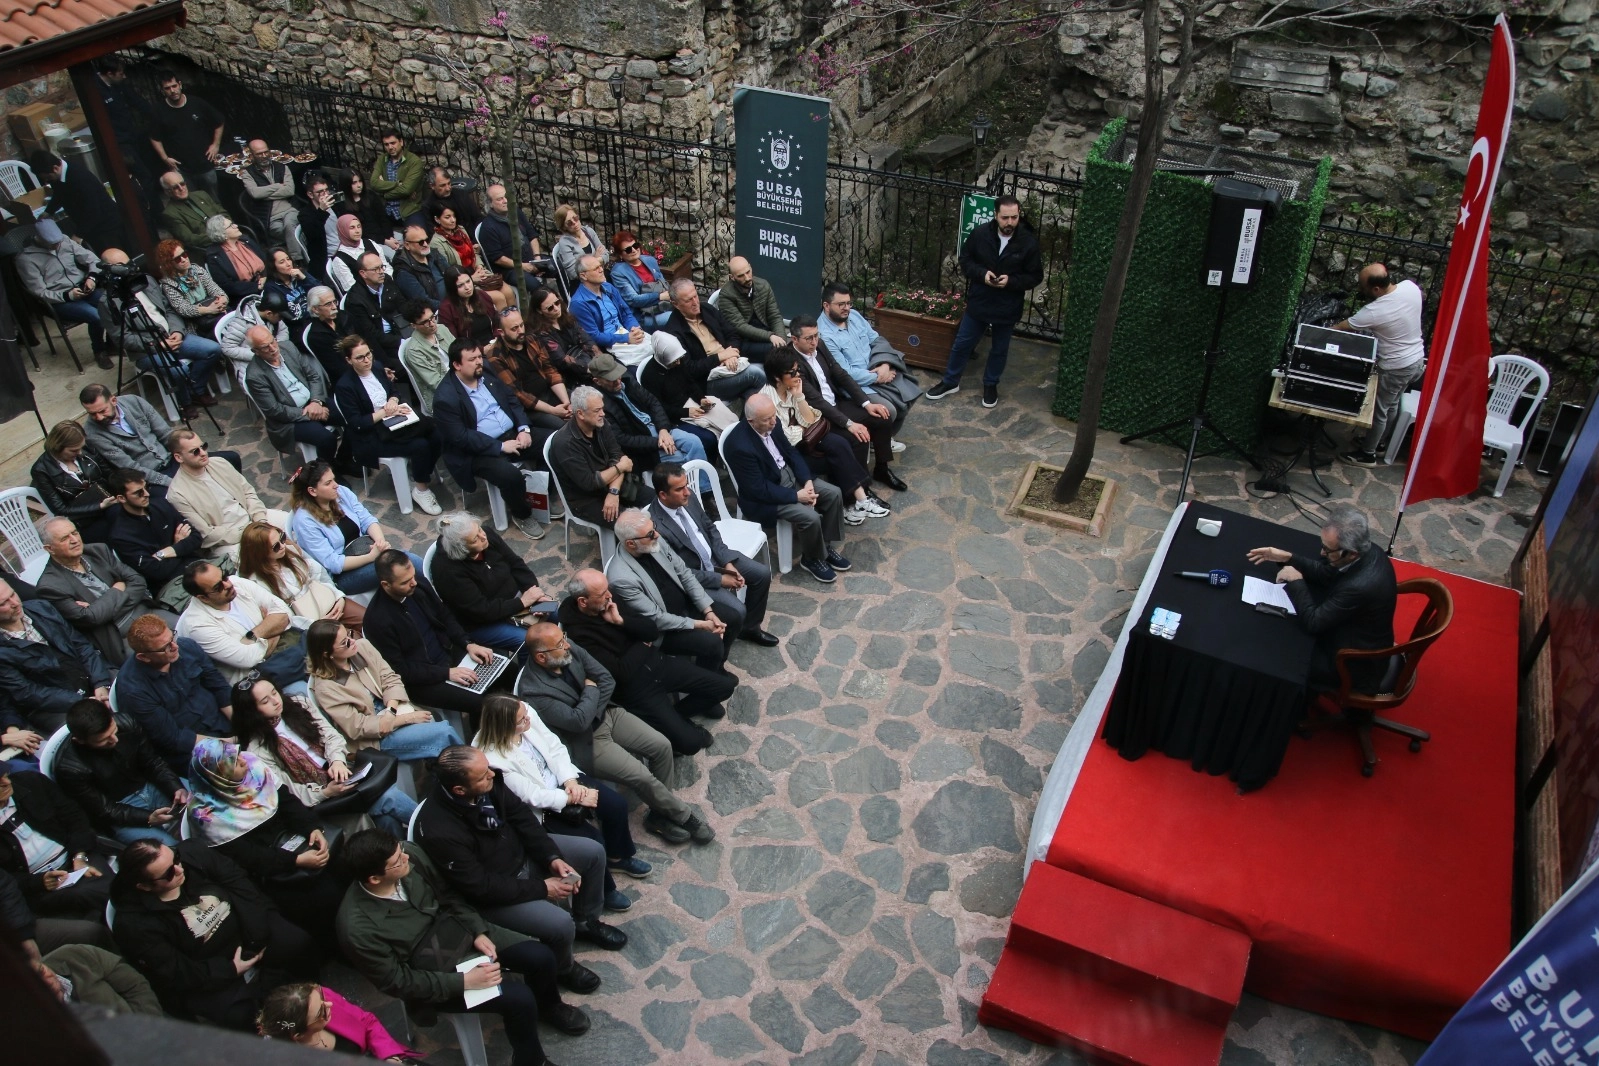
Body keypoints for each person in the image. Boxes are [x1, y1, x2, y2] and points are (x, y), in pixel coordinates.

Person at [335, 828, 584, 1065]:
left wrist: (477, 930)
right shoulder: (357, 928)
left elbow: (449, 895)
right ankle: (531, 1060)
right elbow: (399, 982)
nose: (406, 857)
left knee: (541, 956)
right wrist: (464, 982)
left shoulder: (410, 854)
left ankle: (549, 1007)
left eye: (401, 851)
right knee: (519, 999)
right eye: (397, 861)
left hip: (459, 930)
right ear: (374, 878)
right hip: (432, 972)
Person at [417, 746, 624, 989]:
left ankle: (586, 922)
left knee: (593, 852)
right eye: (483, 775)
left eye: (488, 769)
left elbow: (522, 818)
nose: (492, 774)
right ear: (459, 790)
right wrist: (543, 888)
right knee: (559, 924)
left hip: (522, 855)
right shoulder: (440, 830)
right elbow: (481, 886)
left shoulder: (489, 782)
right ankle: (564, 968)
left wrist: (551, 857)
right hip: (496, 892)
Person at [516, 621, 713, 845]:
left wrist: (591, 708)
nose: (567, 645)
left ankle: (659, 815)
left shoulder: (568, 647)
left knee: (662, 746)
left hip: (607, 713)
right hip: (586, 741)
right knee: (641, 775)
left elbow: (606, 678)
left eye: (564, 638)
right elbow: (578, 723)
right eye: (560, 644)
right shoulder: (533, 691)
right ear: (541, 657)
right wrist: (591, 689)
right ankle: (685, 817)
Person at [111, 839, 320, 1029]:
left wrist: (256, 939)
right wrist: (230, 969)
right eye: (168, 874)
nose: (179, 869)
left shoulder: (194, 854)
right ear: (145, 886)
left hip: (248, 930)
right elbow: (177, 971)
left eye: (176, 858)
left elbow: (241, 885)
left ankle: (314, 1000)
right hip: (210, 967)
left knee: (297, 943)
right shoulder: (133, 925)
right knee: (242, 1013)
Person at [473, 693, 648, 908]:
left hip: (563, 780)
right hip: (543, 807)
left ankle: (617, 857)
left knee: (616, 805)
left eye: (525, 714)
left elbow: (554, 746)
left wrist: (570, 781)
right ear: (504, 727)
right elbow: (531, 795)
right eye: (521, 720)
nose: (528, 719)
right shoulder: (493, 759)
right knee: (592, 841)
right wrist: (571, 798)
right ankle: (605, 890)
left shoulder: (524, 712)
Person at [185, 738, 348, 939]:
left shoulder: (253, 767)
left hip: (294, 839)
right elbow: (247, 857)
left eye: (237, 754)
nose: (242, 760)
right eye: (233, 763)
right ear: (219, 776)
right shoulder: (206, 814)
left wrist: (312, 828)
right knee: (326, 897)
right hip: (269, 869)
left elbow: (287, 802)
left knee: (344, 864)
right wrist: (296, 861)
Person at [559, 568, 732, 756]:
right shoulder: (577, 635)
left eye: (608, 589)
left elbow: (651, 631)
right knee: (691, 744)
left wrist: (622, 621)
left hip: (658, 664)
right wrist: (642, 644)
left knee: (725, 687)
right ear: (583, 602)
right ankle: (672, 724)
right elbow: (622, 672)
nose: (609, 595)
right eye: (602, 594)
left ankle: (675, 717)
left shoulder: (610, 601)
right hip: (637, 690)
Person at [232, 673, 416, 838]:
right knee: (388, 797)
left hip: (342, 772)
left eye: (274, 692)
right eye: (265, 701)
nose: (275, 700)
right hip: (319, 798)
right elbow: (289, 790)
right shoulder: (257, 750)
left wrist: (337, 761)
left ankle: (408, 850)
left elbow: (330, 736)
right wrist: (326, 792)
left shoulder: (298, 704)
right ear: (252, 711)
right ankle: (426, 828)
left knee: (387, 820)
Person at [1247, 504, 1398, 694]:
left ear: (1351, 553)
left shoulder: (1358, 587)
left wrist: (1296, 581)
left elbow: (1313, 622)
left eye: (1327, 550)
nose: (1321, 554)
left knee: (1277, 658)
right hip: (1356, 637)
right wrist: (1288, 558)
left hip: (1352, 664)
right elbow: (1327, 573)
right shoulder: (1366, 550)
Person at [925, 195, 1043, 408]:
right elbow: (966, 260)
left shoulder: (1028, 242)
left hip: (1007, 305)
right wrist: (982, 274)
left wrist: (1011, 281)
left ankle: (990, 384)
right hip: (980, 299)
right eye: (1005, 218)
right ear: (996, 215)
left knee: (999, 349)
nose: (1010, 222)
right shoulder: (980, 234)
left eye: (1014, 217)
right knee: (963, 343)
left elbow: (1035, 276)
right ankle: (950, 381)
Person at [724, 393, 851, 584]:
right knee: (810, 517)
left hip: (790, 476)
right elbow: (758, 489)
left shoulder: (772, 424)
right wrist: (796, 496)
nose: (773, 422)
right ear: (751, 421)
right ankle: (811, 558)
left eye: (773, 416)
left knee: (834, 494)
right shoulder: (739, 446)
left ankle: (824, 547)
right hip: (766, 496)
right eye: (767, 419)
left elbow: (791, 453)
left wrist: (807, 480)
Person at [361, 551, 499, 721]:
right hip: (423, 681)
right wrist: (446, 673)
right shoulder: (377, 621)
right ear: (386, 584)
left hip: (447, 652)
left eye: (412, 576)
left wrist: (467, 643)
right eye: (405, 582)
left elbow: (444, 616)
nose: (413, 583)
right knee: (484, 703)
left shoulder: (419, 585)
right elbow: (400, 670)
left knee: (502, 672)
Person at [432, 337, 547, 540]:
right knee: (510, 476)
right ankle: (522, 514)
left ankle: (542, 498)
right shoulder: (445, 398)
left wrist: (524, 429)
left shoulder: (485, 371)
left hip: (513, 434)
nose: (479, 362)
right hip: (479, 451)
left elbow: (511, 399)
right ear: (457, 365)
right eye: (472, 359)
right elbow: (460, 437)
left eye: (479, 356)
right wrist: (500, 446)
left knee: (553, 444)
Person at [306, 619, 462, 767]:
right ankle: (467, 771)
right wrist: (407, 718)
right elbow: (357, 727)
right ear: (327, 654)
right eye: (344, 643)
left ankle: (447, 771)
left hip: (392, 710)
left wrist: (391, 711)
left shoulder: (363, 647)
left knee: (433, 727)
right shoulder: (326, 688)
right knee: (443, 732)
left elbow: (390, 679)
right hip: (372, 739)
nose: (352, 641)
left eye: (349, 634)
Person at [649, 462, 776, 645]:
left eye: (686, 486)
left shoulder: (688, 498)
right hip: (696, 576)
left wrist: (727, 562)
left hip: (716, 558)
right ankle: (719, 653)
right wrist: (720, 580)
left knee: (762, 574)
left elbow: (710, 529)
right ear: (663, 494)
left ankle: (750, 628)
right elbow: (678, 573)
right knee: (738, 610)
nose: (687, 492)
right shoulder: (656, 527)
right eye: (679, 489)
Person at [761, 349, 888, 525]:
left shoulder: (791, 389)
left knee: (840, 443)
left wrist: (799, 397)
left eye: (798, 370)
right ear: (777, 377)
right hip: (786, 456)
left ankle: (860, 501)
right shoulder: (767, 401)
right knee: (836, 458)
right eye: (792, 372)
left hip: (803, 442)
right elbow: (785, 438)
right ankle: (851, 503)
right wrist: (801, 428)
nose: (797, 375)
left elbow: (810, 420)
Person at [89, 254, 226, 416]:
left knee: (213, 349)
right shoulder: (108, 302)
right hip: (148, 349)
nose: (129, 270)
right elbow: (122, 338)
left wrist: (177, 331)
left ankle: (195, 390)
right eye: (122, 267)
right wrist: (157, 344)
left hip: (172, 335)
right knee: (178, 369)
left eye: (129, 264)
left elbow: (169, 309)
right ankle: (185, 402)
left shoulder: (146, 281)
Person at [608, 508, 738, 673]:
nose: (657, 535)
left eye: (654, 527)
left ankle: (715, 667)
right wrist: (699, 625)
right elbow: (657, 618)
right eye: (650, 534)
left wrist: (708, 611)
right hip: (665, 630)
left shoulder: (653, 541)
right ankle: (707, 678)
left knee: (734, 618)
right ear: (630, 544)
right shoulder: (622, 578)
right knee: (713, 643)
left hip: (686, 605)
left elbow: (684, 573)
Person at [791, 312, 906, 492]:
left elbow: (840, 374)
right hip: (818, 415)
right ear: (795, 339)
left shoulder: (820, 345)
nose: (814, 342)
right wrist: (849, 423)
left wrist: (867, 404)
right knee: (858, 435)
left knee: (882, 416)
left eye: (816, 336)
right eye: (809, 338)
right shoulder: (792, 362)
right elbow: (816, 400)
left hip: (837, 401)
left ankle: (882, 469)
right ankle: (863, 487)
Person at [36, 516, 174, 663]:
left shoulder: (98, 550)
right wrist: (117, 589)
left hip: (147, 612)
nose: (74, 540)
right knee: (161, 658)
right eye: (65, 538)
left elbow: (138, 581)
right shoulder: (50, 586)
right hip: (119, 633)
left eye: (74, 533)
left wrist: (101, 608)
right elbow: (91, 618)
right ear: (50, 549)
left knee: (187, 631)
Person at [330, 336, 445, 514]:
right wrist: (385, 412)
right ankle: (421, 489)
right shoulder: (345, 386)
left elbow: (394, 391)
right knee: (420, 445)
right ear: (349, 360)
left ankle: (420, 475)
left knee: (436, 434)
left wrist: (392, 401)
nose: (367, 360)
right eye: (360, 357)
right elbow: (357, 423)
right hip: (371, 435)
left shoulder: (377, 368)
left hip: (394, 422)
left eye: (368, 354)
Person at [53, 698, 187, 846]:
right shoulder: (70, 769)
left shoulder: (127, 723)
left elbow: (153, 763)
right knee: (167, 849)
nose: (115, 740)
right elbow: (104, 810)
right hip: (119, 810)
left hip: (150, 785)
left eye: (114, 730)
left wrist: (175, 787)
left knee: (203, 802)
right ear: (80, 741)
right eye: (103, 740)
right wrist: (148, 818)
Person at [114, 614, 236, 775]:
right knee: (243, 771)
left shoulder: (186, 646)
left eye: (172, 637)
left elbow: (218, 686)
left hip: (221, 720)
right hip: (190, 750)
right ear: (143, 657)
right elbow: (174, 738)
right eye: (165, 647)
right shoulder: (133, 691)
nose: (175, 646)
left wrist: (241, 723)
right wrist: (230, 744)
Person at [1335, 264, 1428, 466]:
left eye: (1363, 287)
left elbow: (1342, 327)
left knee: (1379, 411)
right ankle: (1379, 443)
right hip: (1417, 361)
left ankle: (1367, 454)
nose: (1360, 290)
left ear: (1376, 289)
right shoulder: (1410, 287)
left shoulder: (1374, 311)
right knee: (1392, 404)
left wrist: (1316, 334)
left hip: (1396, 367)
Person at [432, 511, 557, 654]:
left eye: (479, 529)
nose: (483, 536)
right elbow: (481, 610)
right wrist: (523, 602)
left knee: (554, 611)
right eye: (475, 539)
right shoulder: (448, 571)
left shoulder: (486, 535)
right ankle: (533, 667)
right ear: (462, 549)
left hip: (516, 601)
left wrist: (534, 593)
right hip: (483, 622)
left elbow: (515, 563)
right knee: (527, 642)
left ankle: (561, 651)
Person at [0, 578, 112, 736]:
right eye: (3, 603)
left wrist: (100, 682)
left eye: (12, 594)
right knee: (91, 727)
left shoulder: (41, 608)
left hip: (88, 678)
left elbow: (81, 645)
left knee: (127, 687)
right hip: (55, 706)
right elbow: (28, 692)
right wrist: (80, 701)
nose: (15, 603)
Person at [0, 769, 111, 921]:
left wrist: (79, 856)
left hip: (77, 855)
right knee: (87, 892)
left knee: (96, 884)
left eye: (4, 775)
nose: (7, 782)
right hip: (39, 884)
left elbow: (75, 817)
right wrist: (39, 882)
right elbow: (5, 880)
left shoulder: (31, 782)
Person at [288, 462, 415, 595]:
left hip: (363, 550)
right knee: (400, 567)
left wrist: (380, 543)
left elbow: (366, 519)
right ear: (312, 491)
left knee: (404, 566)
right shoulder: (305, 522)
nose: (336, 485)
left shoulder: (341, 493)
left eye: (334, 479)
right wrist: (371, 557)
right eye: (328, 483)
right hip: (342, 576)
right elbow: (333, 563)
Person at [589, 351, 711, 487]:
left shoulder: (627, 380)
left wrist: (663, 429)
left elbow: (653, 402)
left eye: (618, 375)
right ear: (597, 381)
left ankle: (704, 490)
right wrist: (657, 442)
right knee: (681, 458)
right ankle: (690, 491)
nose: (618, 381)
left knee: (694, 443)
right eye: (611, 379)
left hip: (659, 428)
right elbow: (622, 440)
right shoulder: (599, 405)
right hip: (644, 446)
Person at [174, 563, 307, 688]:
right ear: (203, 598)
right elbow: (248, 659)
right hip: (259, 676)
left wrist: (252, 636)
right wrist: (272, 625)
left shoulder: (237, 583)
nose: (228, 584)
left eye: (224, 576)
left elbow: (285, 612)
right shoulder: (197, 625)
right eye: (218, 587)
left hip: (287, 648)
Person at [165, 428, 288, 561]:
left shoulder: (220, 463)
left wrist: (260, 520)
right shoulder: (177, 493)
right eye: (195, 451)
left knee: (292, 523)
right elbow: (206, 533)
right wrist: (249, 533)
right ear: (178, 457)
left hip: (254, 520)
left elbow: (248, 492)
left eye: (203, 446)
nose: (203, 453)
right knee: (259, 558)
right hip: (228, 541)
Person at [817, 281, 919, 435]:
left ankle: (886, 437)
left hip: (878, 368)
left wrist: (885, 364)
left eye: (848, 303)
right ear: (826, 305)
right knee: (889, 410)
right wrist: (878, 377)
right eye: (841, 304)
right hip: (858, 385)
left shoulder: (854, 316)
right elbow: (845, 373)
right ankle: (879, 439)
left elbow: (876, 340)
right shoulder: (824, 335)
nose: (846, 308)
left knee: (910, 390)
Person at [547, 384, 649, 529]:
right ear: (580, 414)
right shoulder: (565, 443)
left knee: (657, 501)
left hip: (611, 484)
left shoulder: (601, 423)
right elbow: (589, 482)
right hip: (586, 499)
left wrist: (614, 491)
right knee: (636, 527)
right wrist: (620, 467)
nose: (603, 414)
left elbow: (617, 456)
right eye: (597, 410)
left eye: (602, 408)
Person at [16, 218, 109, 369]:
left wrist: (91, 277)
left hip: (82, 287)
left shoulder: (65, 241)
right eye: (53, 244)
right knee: (96, 316)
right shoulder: (26, 259)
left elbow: (92, 259)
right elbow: (38, 291)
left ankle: (111, 343)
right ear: (40, 239)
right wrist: (67, 295)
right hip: (59, 299)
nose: (57, 245)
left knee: (111, 303)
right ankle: (99, 351)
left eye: (58, 242)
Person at [238, 519, 363, 631]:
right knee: (350, 642)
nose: (283, 545)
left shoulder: (290, 553)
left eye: (282, 538)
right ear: (260, 553)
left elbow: (320, 575)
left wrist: (338, 597)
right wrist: (314, 624)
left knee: (366, 620)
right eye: (276, 546)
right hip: (309, 624)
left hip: (329, 599)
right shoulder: (257, 583)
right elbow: (283, 615)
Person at [105, 468, 204, 606]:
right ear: (121, 498)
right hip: (172, 585)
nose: (146, 494)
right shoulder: (121, 536)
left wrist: (165, 553)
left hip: (197, 565)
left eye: (146, 488)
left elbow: (196, 538)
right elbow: (157, 571)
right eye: (138, 492)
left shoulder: (161, 505)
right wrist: (179, 546)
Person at [244, 323, 340, 461]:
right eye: (265, 347)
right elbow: (275, 410)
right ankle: (323, 470)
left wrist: (316, 402)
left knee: (350, 413)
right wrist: (310, 414)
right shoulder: (255, 376)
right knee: (326, 439)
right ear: (255, 351)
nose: (273, 348)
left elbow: (313, 376)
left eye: (273, 341)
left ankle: (346, 459)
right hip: (290, 420)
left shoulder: (288, 347)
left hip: (313, 401)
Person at [661, 278, 768, 397]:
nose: (695, 302)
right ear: (675, 304)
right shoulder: (674, 332)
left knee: (759, 376)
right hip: (706, 381)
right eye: (688, 300)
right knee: (755, 374)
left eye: (695, 296)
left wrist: (731, 354)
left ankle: (753, 408)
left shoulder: (707, 309)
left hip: (730, 362)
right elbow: (690, 369)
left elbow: (732, 333)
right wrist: (720, 357)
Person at [256, 981, 418, 1059]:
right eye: (320, 1012)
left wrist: (389, 1056)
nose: (329, 1004)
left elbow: (367, 1022)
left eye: (322, 999)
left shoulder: (321, 997)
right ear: (299, 1035)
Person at [636, 330, 727, 459]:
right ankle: (708, 462)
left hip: (692, 404)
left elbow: (690, 382)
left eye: (678, 359)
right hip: (675, 417)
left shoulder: (678, 360)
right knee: (709, 438)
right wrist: (686, 412)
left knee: (726, 419)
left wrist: (701, 398)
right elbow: (659, 408)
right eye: (674, 361)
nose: (678, 363)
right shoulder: (650, 376)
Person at [30, 420, 118, 544]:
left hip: (110, 504)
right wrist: (99, 506)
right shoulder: (41, 470)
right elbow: (60, 510)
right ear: (57, 447)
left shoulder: (86, 448)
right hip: (83, 520)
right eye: (74, 450)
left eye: (81, 447)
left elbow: (109, 474)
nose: (80, 452)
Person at [29, 149, 126, 253]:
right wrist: (49, 211)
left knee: (112, 255)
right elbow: (59, 194)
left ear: (55, 168)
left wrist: (79, 234)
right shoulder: (56, 178)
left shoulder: (79, 178)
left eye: (48, 177)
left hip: (106, 226)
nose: (47, 181)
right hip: (87, 225)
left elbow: (93, 210)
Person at [148, 72, 224, 195]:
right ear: (162, 90)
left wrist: (215, 145)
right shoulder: (158, 111)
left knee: (213, 198)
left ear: (180, 85)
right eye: (167, 88)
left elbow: (219, 121)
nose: (172, 91)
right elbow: (154, 137)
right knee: (189, 199)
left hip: (204, 163)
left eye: (174, 86)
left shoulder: (197, 103)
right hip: (181, 168)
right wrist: (165, 158)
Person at [34, 944, 163, 1015]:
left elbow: (135, 985)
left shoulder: (74, 955)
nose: (47, 982)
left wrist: (149, 1027)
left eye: (42, 971)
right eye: (37, 984)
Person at [340, 250, 410, 369]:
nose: (381, 272)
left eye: (382, 267)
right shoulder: (355, 301)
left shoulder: (387, 280)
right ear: (363, 273)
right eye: (376, 269)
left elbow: (403, 305)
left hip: (402, 330)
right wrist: (402, 341)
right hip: (383, 347)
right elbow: (371, 335)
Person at [155, 238, 229, 342]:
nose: (184, 259)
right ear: (169, 264)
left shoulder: (197, 270)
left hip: (216, 313)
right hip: (197, 325)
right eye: (177, 259)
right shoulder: (168, 284)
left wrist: (222, 300)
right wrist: (209, 309)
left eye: (184, 254)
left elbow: (215, 289)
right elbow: (183, 309)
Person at [717, 256, 789, 361]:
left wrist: (781, 339)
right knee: (777, 353)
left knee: (788, 349)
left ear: (750, 268)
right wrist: (770, 336)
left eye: (748, 272)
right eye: (740, 276)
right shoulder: (726, 295)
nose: (747, 278)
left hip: (765, 333)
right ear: (732, 277)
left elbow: (774, 316)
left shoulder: (763, 285)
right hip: (743, 341)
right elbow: (740, 326)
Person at [528, 283, 600, 383]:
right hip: (570, 376)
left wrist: (599, 359)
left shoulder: (568, 318)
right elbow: (562, 360)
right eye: (550, 308)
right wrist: (592, 369)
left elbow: (586, 340)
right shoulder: (541, 334)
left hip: (588, 361)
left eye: (557, 302)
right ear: (539, 311)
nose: (556, 308)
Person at [476, 182, 542, 288]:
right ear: (490, 204)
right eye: (500, 199)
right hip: (510, 269)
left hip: (531, 259)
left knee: (558, 267)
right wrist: (523, 266)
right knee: (534, 284)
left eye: (506, 197)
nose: (505, 201)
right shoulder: (488, 227)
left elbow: (532, 235)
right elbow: (498, 258)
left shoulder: (516, 212)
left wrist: (537, 258)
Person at [607, 231, 671, 331]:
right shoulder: (618, 272)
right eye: (628, 249)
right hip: (643, 315)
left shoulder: (650, 260)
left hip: (664, 306)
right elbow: (633, 300)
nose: (634, 250)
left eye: (635, 246)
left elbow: (663, 284)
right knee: (678, 317)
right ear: (620, 254)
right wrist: (659, 296)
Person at [398, 299, 455, 410]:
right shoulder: (414, 351)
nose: (432, 324)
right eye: (425, 322)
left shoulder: (442, 329)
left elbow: (461, 352)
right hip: (444, 395)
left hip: (461, 378)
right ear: (413, 325)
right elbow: (437, 384)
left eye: (433, 317)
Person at [238, 140, 298, 246]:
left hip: (289, 210)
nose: (264, 156)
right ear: (251, 155)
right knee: (287, 230)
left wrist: (264, 194)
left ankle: (295, 256)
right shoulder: (247, 173)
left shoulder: (282, 167)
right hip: (269, 217)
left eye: (266, 152)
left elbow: (289, 191)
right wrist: (277, 186)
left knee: (289, 226)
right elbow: (255, 194)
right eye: (259, 154)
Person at [203, 215, 267, 305]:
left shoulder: (245, 240)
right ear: (222, 233)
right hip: (245, 296)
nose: (236, 226)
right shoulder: (214, 256)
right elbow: (227, 285)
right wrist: (257, 286)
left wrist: (265, 277)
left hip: (267, 283)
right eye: (231, 225)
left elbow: (266, 260)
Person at [326, 214, 395, 297]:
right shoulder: (340, 259)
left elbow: (386, 267)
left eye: (359, 226)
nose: (357, 231)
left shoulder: (369, 243)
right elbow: (351, 288)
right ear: (343, 231)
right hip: (366, 297)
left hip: (387, 287)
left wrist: (391, 284)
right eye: (352, 228)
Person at [369, 129, 424, 229]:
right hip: (387, 210)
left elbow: (406, 190)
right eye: (386, 144)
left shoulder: (414, 162)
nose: (390, 147)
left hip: (408, 210)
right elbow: (373, 183)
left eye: (393, 143)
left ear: (401, 142)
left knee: (417, 234)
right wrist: (397, 184)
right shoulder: (382, 160)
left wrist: (384, 194)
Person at [392, 224, 449, 309]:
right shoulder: (403, 271)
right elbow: (423, 301)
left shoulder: (434, 254)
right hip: (436, 312)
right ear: (407, 245)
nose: (425, 244)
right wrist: (449, 308)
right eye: (420, 242)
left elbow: (452, 275)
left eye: (427, 240)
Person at [439, 266, 498, 346]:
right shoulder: (446, 309)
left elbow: (496, 322)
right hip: (472, 350)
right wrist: (482, 350)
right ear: (452, 288)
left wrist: (497, 339)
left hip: (494, 343)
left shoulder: (482, 295)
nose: (467, 287)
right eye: (460, 285)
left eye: (468, 281)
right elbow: (455, 343)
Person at [333, 172, 392, 248]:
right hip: (365, 243)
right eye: (354, 183)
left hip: (384, 236)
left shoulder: (370, 195)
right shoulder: (342, 205)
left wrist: (389, 237)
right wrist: (384, 241)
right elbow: (360, 232)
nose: (359, 185)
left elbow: (383, 218)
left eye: (360, 181)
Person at [299, 285, 345, 382]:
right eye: (328, 304)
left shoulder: (344, 317)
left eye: (334, 302)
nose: (334, 307)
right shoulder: (316, 336)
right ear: (315, 309)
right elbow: (337, 368)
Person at [420, 166, 482, 235]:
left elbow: (478, 218)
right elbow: (433, 231)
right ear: (432, 186)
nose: (448, 188)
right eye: (442, 185)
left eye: (449, 183)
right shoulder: (428, 206)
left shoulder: (461, 194)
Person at [264, 248, 315, 324]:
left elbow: (322, 291)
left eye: (288, 259)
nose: (288, 264)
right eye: (282, 262)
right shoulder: (271, 287)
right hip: (302, 324)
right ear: (273, 266)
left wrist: (304, 279)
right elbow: (290, 315)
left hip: (318, 315)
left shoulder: (300, 273)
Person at [298, 174, 336, 275]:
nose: (325, 194)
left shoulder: (335, 205)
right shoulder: (305, 214)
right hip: (328, 258)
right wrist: (322, 211)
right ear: (310, 195)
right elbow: (313, 234)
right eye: (320, 192)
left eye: (326, 190)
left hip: (346, 248)